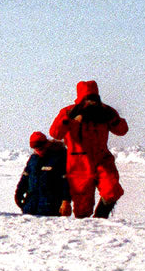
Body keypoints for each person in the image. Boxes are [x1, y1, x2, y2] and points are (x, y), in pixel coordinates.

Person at [49, 79, 128, 218]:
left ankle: (100, 219)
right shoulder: (68, 111)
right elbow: (55, 133)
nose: (91, 103)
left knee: (112, 190)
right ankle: (87, 234)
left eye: (94, 99)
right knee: (82, 210)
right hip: (79, 164)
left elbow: (122, 130)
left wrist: (112, 118)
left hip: (102, 159)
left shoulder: (106, 111)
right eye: (88, 100)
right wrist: (69, 118)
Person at [15, 131, 71, 216]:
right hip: (30, 207)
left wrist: (66, 201)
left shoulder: (60, 157)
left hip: (51, 208)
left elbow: (67, 182)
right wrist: (19, 194)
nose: (38, 151)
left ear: (47, 144)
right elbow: (25, 178)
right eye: (35, 149)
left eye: (40, 148)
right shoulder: (33, 159)